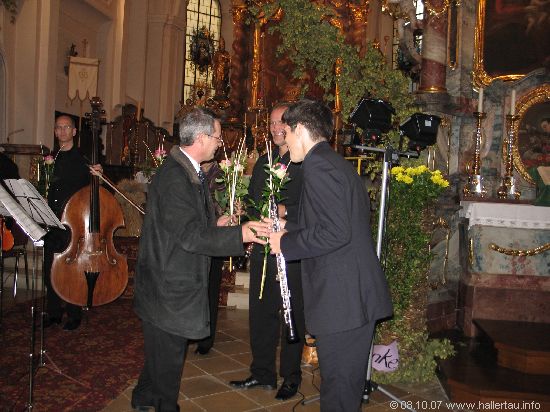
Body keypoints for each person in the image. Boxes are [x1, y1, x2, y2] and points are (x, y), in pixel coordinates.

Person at [131, 107, 269, 412]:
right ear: (202, 138)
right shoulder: (175, 177)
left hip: (169, 280)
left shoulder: (185, 168)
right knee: (169, 359)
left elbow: (186, 224)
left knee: (163, 352)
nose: (220, 143)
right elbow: (189, 236)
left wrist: (215, 224)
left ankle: (143, 397)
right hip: (168, 285)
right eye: (217, 137)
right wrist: (241, 234)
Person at [268, 99, 393, 411]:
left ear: (299, 129)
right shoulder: (331, 161)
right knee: (342, 389)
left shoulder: (319, 166)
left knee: (338, 394)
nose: (284, 139)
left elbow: (336, 232)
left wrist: (285, 244)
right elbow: (330, 222)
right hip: (350, 297)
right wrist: (287, 226)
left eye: (286, 131)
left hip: (344, 300)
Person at [229, 103, 306, 401]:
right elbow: (254, 201)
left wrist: (286, 210)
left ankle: (291, 375)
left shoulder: (303, 162)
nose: (275, 128)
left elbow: (313, 208)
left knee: (291, 313)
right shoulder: (263, 161)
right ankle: (262, 372)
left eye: (281, 122)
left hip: (290, 247)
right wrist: (243, 209)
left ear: (293, 125)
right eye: (272, 123)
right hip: (263, 246)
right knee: (260, 313)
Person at [43, 115, 102, 331]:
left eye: (66, 127)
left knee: (72, 270)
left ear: (74, 132)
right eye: (58, 127)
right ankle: (54, 312)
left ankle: (74, 313)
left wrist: (98, 176)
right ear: (55, 131)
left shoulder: (83, 160)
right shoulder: (50, 158)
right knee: (49, 269)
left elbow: (94, 191)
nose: (62, 131)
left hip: (73, 224)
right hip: (51, 220)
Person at [194, 158, 225, 355]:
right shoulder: (189, 170)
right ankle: (191, 331)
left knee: (210, 290)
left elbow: (221, 207)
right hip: (193, 238)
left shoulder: (221, 175)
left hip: (213, 238)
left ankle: (206, 339)